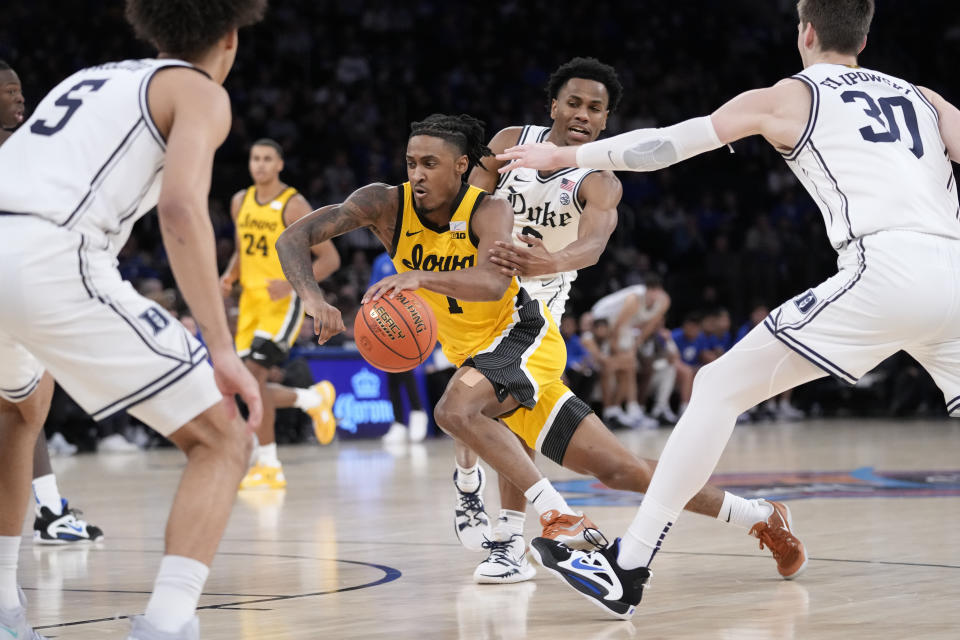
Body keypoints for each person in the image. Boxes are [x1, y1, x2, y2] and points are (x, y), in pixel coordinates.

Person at [498, 0, 960, 620]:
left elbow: (665, 145)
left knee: (716, 388)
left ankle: (630, 567)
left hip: (884, 269)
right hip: (952, 272)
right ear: (866, 37)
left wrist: (565, 158)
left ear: (807, 31)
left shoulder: (790, 96)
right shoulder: (924, 99)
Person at [277, 113, 804, 591]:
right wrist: (312, 297)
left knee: (456, 409)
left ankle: (549, 519)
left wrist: (417, 275)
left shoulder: (489, 210)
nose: (417, 173)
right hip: (476, 352)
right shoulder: (383, 203)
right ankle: (759, 516)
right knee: (624, 471)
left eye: (430, 163)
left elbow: (488, 284)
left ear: (461, 167)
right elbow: (293, 238)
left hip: (521, 334)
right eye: (411, 161)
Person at [0, 2, 267, 638]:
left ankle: (4, 610)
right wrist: (222, 349)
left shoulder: (86, 79)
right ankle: (168, 624)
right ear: (229, 38)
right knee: (225, 436)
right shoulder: (199, 92)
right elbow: (179, 210)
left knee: (18, 410)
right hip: (49, 254)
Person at [452, 57, 629, 582]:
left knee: (510, 414)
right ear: (554, 105)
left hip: (534, 313)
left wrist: (546, 260)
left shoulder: (599, 181)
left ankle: (507, 539)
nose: (582, 114)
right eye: (573, 102)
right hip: (476, 292)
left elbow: (593, 246)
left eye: (594, 109)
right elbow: (465, 203)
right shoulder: (511, 141)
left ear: (603, 121)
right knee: (462, 412)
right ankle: (466, 484)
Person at [0, 59, 104, 545]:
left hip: (20, 289)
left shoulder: (25, 148)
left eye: (21, 89)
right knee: (25, 404)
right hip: (15, 288)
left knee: (26, 403)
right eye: (9, 91)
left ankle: (49, 510)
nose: (20, 98)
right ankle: (48, 511)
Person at [220, 138, 340, 489]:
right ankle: (312, 398)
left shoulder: (293, 205)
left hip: (281, 304)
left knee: (254, 374)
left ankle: (269, 464)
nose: (259, 164)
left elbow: (330, 258)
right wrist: (230, 274)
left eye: (267, 159)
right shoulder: (239, 201)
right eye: (255, 158)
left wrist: (291, 285)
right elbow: (244, 249)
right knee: (245, 385)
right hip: (249, 304)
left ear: (279, 165)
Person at [589, 276, 671, 429]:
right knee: (619, 366)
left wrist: (635, 346)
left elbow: (649, 326)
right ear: (647, 290)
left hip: (623, 328)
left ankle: (624, 409)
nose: (654, 296)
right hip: (604, 324)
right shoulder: (634, 300)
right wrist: (615, 348)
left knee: (629, 365)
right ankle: (619, 410)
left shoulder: (664, 302)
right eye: (651, 291)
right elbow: (616, 325)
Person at [367, 251, 430, 444]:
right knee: (391, 375)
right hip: (386, 321)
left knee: (406, 369)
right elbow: (372, 292)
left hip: (409, 321)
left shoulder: (411, 256)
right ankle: (399, 423)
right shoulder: (380, 261)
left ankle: (418, 412)